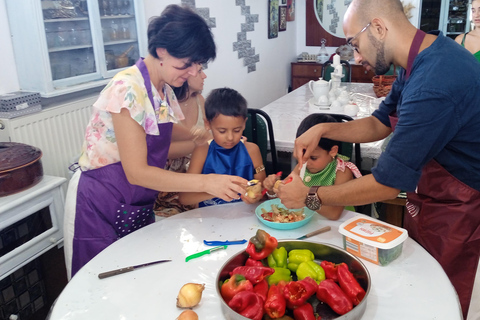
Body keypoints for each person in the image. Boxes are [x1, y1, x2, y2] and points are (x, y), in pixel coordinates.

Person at [275, 0, 480, 318]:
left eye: (355, 44)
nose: (357, 57)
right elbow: (379, 122)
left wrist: (309, 196)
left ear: (379, 28)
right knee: (417, 279)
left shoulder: (434, 83)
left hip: (459, 203)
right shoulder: (418, 59)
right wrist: (324, 127)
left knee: (440, 297)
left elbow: (386, 185)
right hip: (430, 193)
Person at [63, 5, 248, 280]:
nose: (194, 71)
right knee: (99, 285)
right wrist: (209, 182)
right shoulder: (128, 89)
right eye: (187, 63)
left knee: (137, 278)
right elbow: (137, 172)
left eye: (198, 64)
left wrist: (215, 136)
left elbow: (164, 131)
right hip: (101, 201)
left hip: (135, 200)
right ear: (162, 51)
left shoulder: (162, 90)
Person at [263, 114, 361, 220]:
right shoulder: (302, 165)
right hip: (310, 221)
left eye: (313, 158)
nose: (306, 162)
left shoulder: (342, 172)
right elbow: (285, 195)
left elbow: (334, 214)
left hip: (340, 225)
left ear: (333, 151)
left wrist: (304, 197)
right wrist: (273, 188)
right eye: (302, 155)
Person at [179, 87, 266, 207]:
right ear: (207, 124)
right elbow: (185, 198)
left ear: (244, 123)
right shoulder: (202, 151)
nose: (230, 137)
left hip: (245, 218)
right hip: (212, 220)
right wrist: (218, 190)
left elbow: (262, 191)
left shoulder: (252, 150)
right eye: (222, 131)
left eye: (237, 130)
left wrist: (257, 196)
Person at [154, 68, 209, 219]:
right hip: (171, 180)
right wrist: (201, 143)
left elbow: (209, 134)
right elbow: (161, 150)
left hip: (199, 170)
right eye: (199, 72)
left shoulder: (200, 100)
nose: (204, 76)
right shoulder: (164, 106)